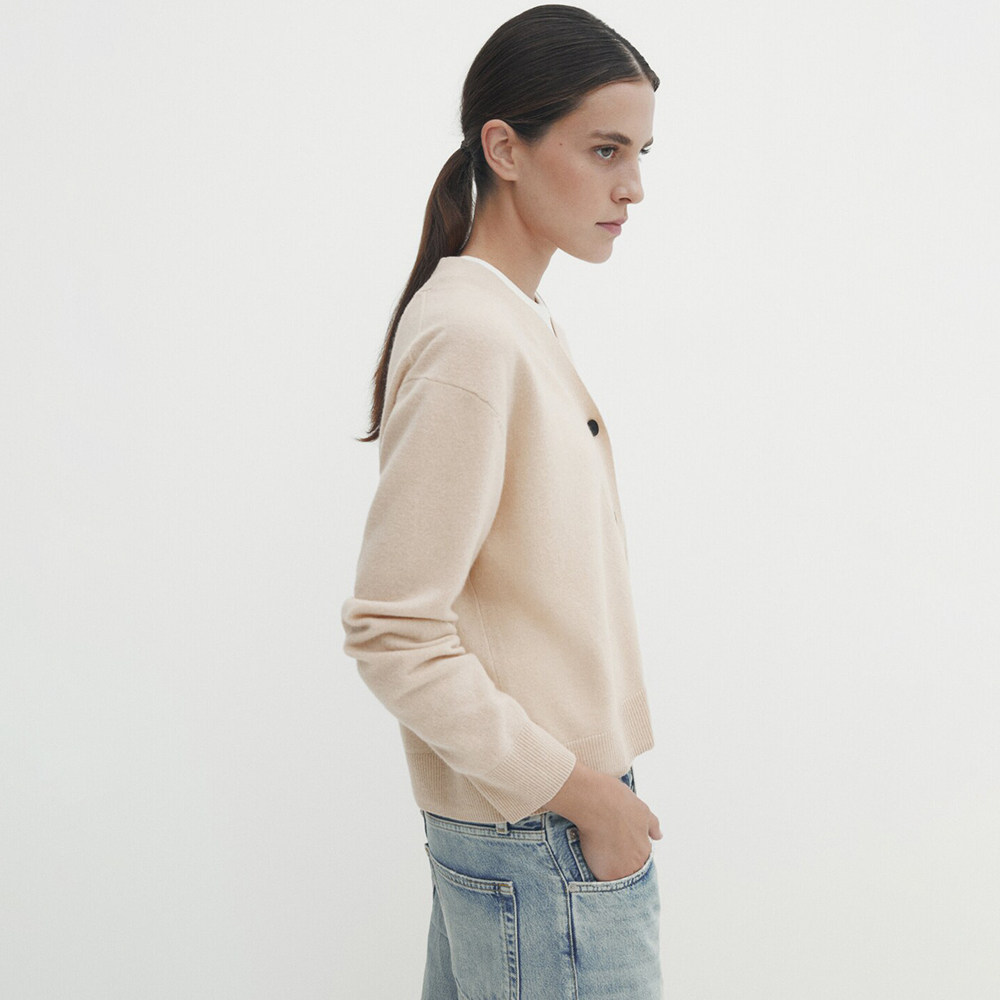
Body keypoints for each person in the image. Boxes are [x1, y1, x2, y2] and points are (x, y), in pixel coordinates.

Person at [342, 5, 662, 997]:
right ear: (505, 148)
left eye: (641, 152)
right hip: (541, 833)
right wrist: (584, 797)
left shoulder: (510, 320)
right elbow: (394, 630)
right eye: (605, 149)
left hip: (531, 825)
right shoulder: (474, 336)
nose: (632, 186)